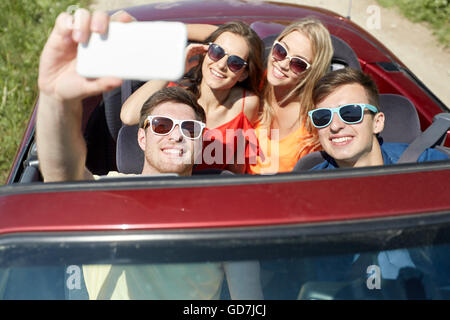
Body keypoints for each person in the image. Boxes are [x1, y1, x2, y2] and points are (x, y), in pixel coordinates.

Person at [36, 9, 263, 299]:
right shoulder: (109, 191)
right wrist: (55, 98)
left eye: (189, 128)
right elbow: (60, 173)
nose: (176, 134)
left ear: (201, 140)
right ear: (141, 137)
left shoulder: (226, 214)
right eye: (162, 125)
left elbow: (248, 301)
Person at [306, 67, 448, 284]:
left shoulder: (424, 166)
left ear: (378, 122)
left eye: (350, 113)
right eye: (323, 117)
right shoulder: (308, 191)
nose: (335, 126)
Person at [181, 19, 334, 174]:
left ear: (311, 73)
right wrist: (172, 29)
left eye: (298, 63)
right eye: (280, 51)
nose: (282, 64)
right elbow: (231, 40)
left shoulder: (315, 121)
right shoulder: (260, 81)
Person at [120, 21, 264, 173]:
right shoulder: (176, 96)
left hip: (211, 190)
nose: (221, 65)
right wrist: (173, 69)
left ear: (244, 74)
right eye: (216, 52)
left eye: (235, 62)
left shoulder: (246, 103)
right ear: (205, 52)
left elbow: (237, 165)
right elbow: (128, 116)